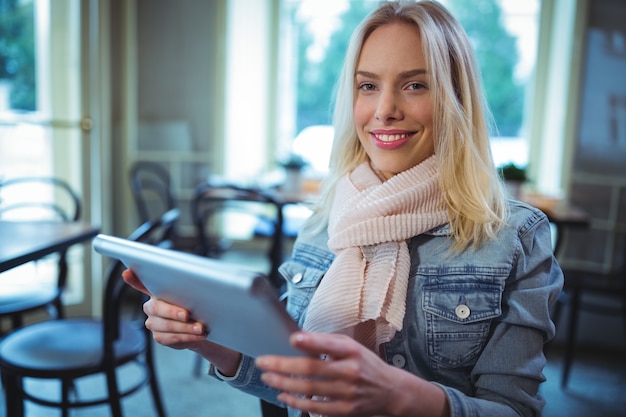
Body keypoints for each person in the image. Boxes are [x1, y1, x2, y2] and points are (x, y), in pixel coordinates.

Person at [123, 1, 563, 416]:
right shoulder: (326, 218)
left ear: (455, 98)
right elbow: (293, 376)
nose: (385, 110)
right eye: (368, 86)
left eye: (414, 85)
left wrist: (401, 396)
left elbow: (513, 409)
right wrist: (209, 342)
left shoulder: (517, 237)